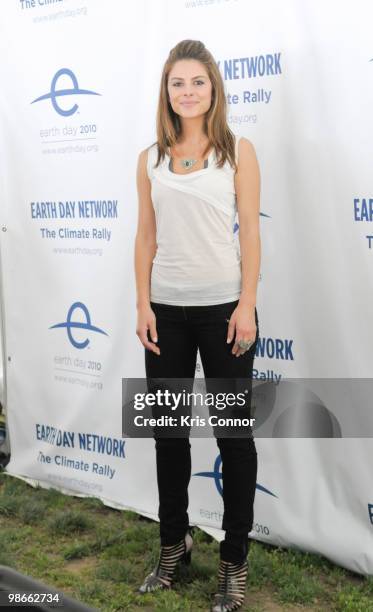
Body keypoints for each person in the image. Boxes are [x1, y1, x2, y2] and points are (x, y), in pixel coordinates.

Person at [134, 39, 261, 612]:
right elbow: (146, 237)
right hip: (165, 313)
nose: (187, 92)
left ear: (214, 89)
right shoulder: (150, 158)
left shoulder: (238, 151)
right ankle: (173, 546)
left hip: (223, 312)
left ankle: (233, 563)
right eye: (177, 83)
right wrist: (143, 304)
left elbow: (251, 236)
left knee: (233, 438)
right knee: (169, 435)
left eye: (197, 82)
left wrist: (247, 303)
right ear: (167, 91)